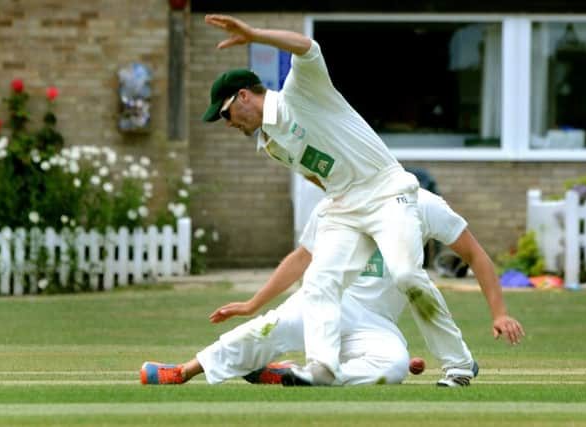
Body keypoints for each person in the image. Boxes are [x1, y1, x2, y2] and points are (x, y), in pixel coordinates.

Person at [201, 14, 442, 386]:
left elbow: (307, 47)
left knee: (404, 275)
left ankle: (454, 362)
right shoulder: (270, 145)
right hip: (349, 204)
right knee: (319, 281)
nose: (229, 124)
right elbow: (320, 178)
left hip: (385, 190)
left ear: (244, 97)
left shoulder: (300, 92)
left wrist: (255, 35)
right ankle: (319, 368)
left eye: (225, 114)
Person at [140, 189, 525, 387]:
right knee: (268, 328)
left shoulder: (419, 203)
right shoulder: (335, 203)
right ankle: (183, 370)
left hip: (375, 323)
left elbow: (475, 255)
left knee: (392, 368)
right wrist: (252, 303)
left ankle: (309, 373)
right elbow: (300, 259)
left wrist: (500, 313)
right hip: (320, 304)